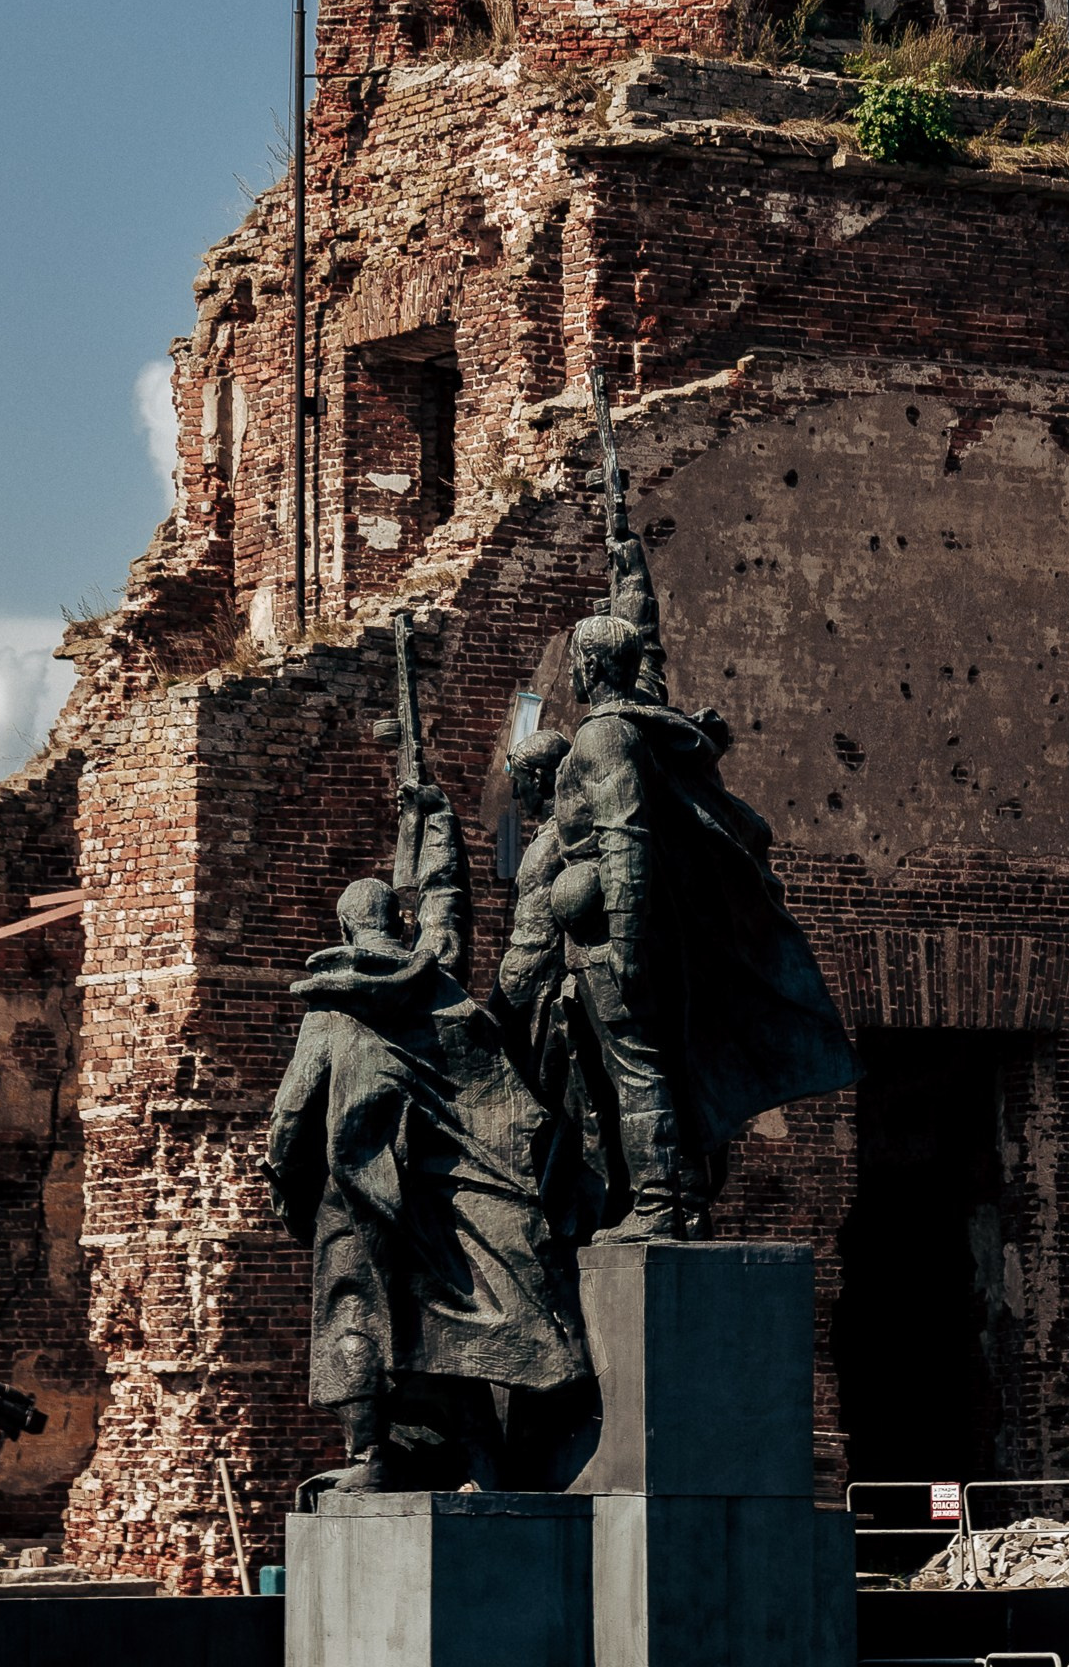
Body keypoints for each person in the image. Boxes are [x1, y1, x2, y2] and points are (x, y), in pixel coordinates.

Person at [267, 769, 594, 1492]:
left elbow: (290, 1117)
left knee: (354, 1315)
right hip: (449, 1195)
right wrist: (433, 820)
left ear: (345, 931)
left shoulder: (331, 1012)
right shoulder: (436, 977)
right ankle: (481, 1462)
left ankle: (370, 1459)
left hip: (361, 1196)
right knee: (452, 1329)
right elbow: (447, 910)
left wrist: (288, 1193)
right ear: (398, 925)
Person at [545, 586, 854, 1240]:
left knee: (638, 1066)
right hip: (638, 932)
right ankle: (680, 1195)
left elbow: (624, 837)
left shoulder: (605, 736)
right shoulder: (647, 731)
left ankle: (657, 1204)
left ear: (590, 666)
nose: (571, 670)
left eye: (576, 658)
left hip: (616, 937)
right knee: (662, 1064)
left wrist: (625, 941)